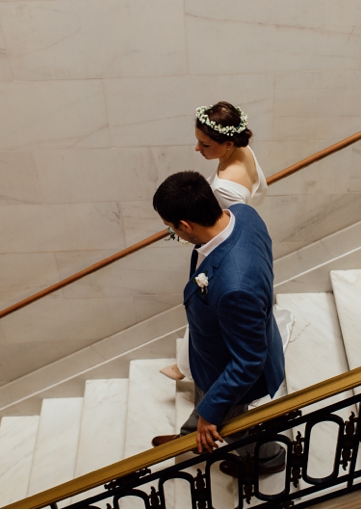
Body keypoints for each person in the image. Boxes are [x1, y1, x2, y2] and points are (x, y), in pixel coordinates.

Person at [150, 171, 287, 476]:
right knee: (206, 400)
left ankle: (267, 458)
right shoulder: (243, 214)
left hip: (229, 367)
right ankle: (190, 438)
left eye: (172, 227)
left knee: (231, 422)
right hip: (212, 354)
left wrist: (213, 412)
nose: (174, 233)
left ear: (186, 225)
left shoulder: (235, 286)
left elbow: (250, 360)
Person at [160, 101, 293, 381]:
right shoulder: (245, 151)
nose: (197, 149)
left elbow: (217, 223)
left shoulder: (225, 190)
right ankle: (185, 363)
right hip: (241, 231)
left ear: (229, 143)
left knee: (203, 308)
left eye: (205, 144)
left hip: (223, 247)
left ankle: (186, 367)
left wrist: (184, 234)